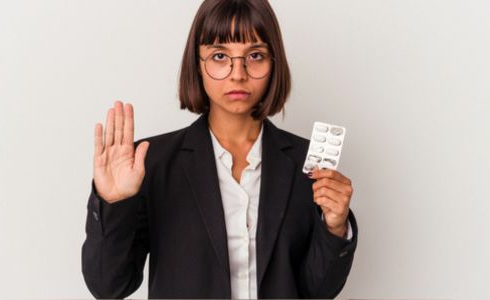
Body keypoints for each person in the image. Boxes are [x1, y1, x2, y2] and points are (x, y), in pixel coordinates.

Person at [81, 0, 358, 298]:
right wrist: (113, 203)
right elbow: (109, 287)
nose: (237, 73)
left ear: (274, 62)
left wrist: (335, 228)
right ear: (198, 65)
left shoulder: (306, 164)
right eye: (219, 56)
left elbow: (316, 291)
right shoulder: (151, 163)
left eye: (255, 55)